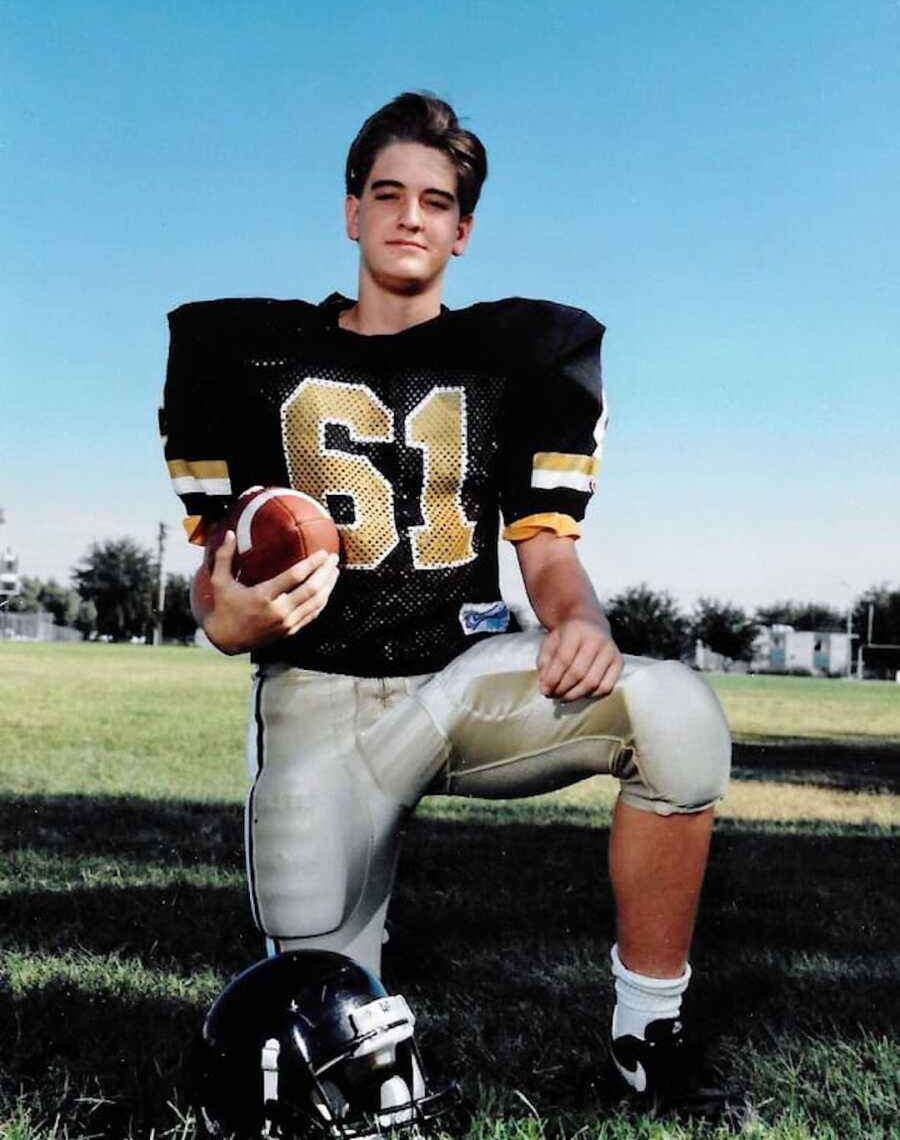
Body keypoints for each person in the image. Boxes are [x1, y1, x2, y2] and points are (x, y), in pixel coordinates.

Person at [160, 92, 731, 1113]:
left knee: (679, 716)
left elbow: (546, 547)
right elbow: (220, 565)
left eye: (435, 200)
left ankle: (653, 1028)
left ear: (463, 230)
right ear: (352, 213)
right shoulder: (246, 353)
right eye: (387, 194)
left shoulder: (517, 354)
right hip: (320, 706)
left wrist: (581, 622)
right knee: (330, 1028)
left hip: (462, 688)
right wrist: (224, 617)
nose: (410, 216)